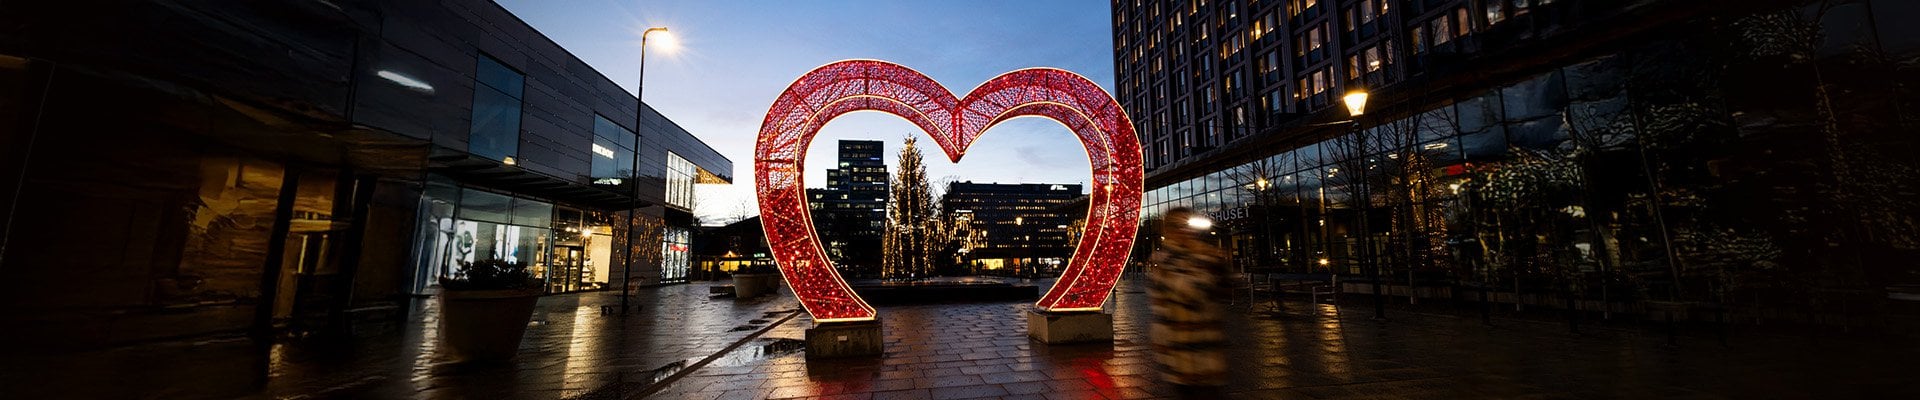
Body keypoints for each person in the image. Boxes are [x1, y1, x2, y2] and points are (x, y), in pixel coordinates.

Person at [1148, 207, 1230, 397]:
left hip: (1209, 354)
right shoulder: (1163, 261)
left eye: (1187, 224)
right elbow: (1192, 294)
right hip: (1183, 357)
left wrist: (1210, 260)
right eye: (1177, 226)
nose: (1183, 231)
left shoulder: (1199, 256)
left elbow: (1227, 289)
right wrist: (1207, 258)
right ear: (1167, 230)